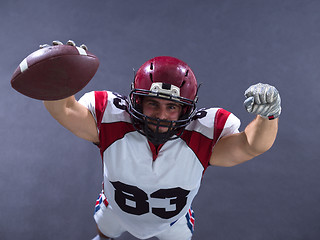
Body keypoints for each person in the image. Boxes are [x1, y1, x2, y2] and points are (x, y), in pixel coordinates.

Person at [43, 41, 281, 240]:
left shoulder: (201, 135)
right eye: (153, 104)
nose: (161, 114)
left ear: (185, 110)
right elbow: (65, 110)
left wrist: (268, 115)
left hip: (173, 222)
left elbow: (251, 145)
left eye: (172, 107)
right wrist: (56, 79)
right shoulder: (113, 121)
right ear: (137, 102)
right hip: (115, 209)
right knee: (105, 231)